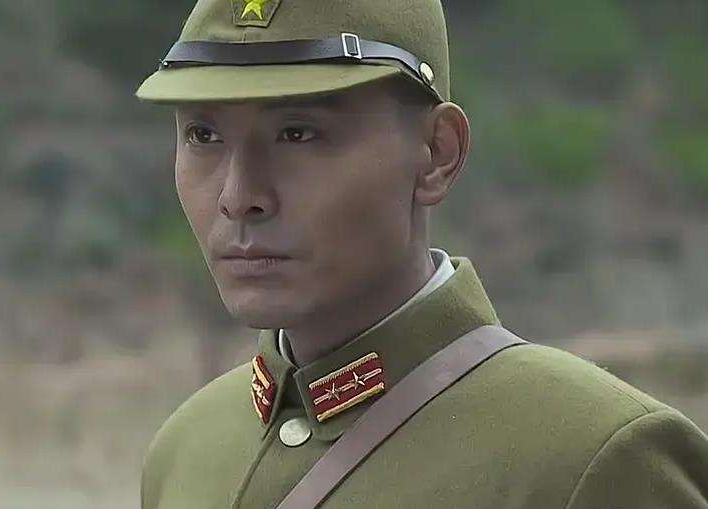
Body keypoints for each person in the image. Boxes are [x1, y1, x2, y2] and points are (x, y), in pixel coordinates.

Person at [134, 0, 708, 507]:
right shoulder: (187, 450)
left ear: (437, 153)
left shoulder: (594, 458)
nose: (239, 197)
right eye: (203, 136)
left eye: (298, 134)